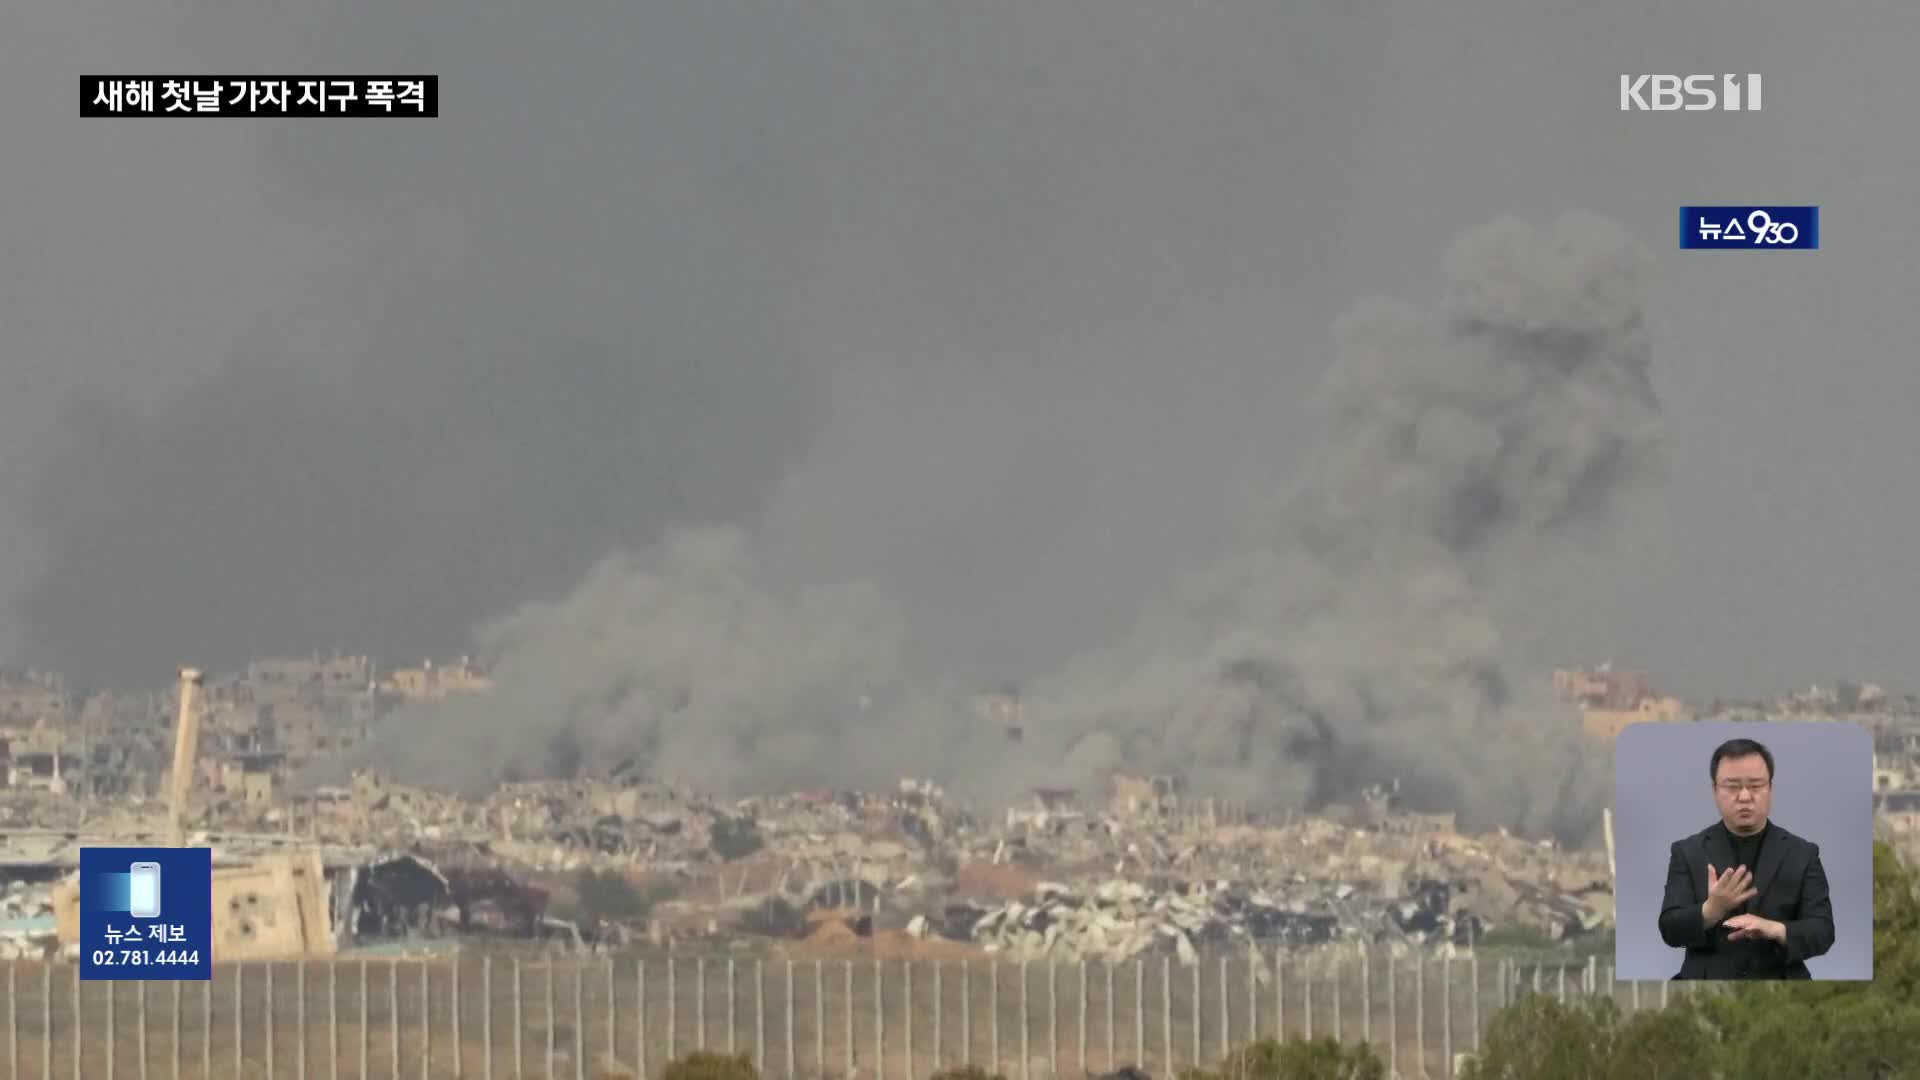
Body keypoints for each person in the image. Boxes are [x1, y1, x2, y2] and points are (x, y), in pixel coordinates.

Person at [1656, 737, 1835, 979]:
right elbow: (1669, 929)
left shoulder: (1803, 854)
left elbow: (1823, 932)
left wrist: (1774, 929)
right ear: (1715, 790)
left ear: (1770, 788)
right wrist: (1710, 910)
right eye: (1732, 786)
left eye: (1755, 785)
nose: (1744, 797)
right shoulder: (1687, 852)